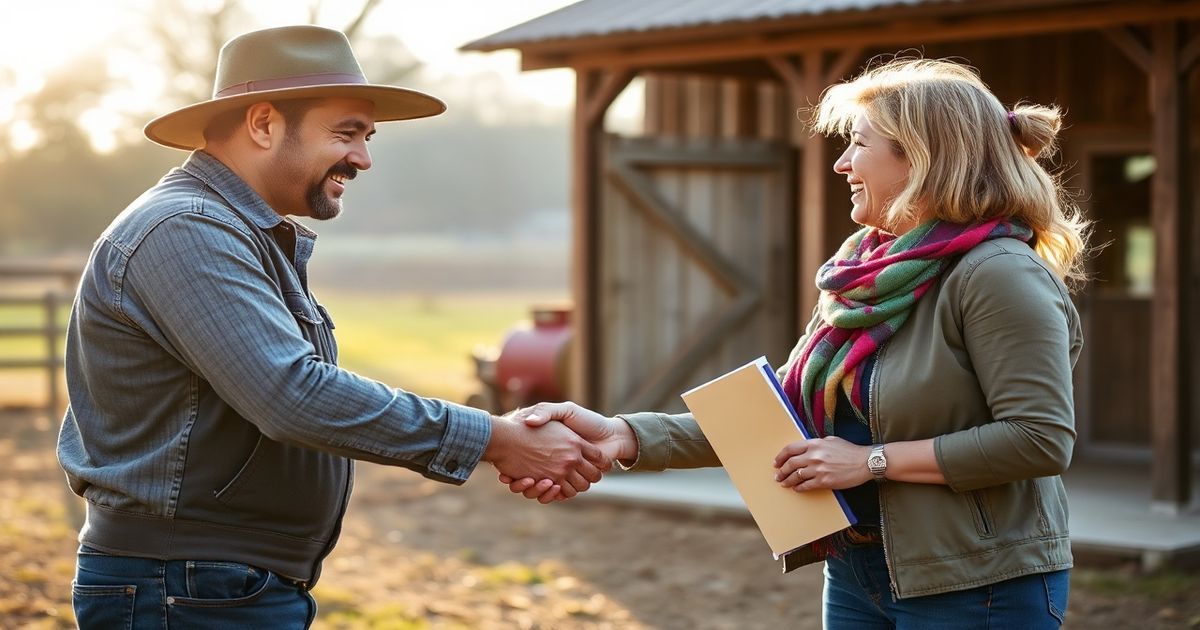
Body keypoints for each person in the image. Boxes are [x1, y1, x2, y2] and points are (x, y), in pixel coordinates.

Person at [502, 57, 1090, 629]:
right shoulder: (863, 269)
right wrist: (625, 435)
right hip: (860, 568)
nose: (841, 164)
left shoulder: (998, 274)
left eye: (859, 144)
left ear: (923, 159)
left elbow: (1038, 439)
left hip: (975, 583)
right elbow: (785, 417)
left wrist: (869, 463)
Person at [57, 25, 608, 629]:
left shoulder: (234, 233)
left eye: (367, 137)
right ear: (263, 124)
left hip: (210, 583)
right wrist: (499, 439)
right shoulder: (186, 230)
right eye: (346, 133)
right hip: (186, 586)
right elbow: (293, 395)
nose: (364, 158)